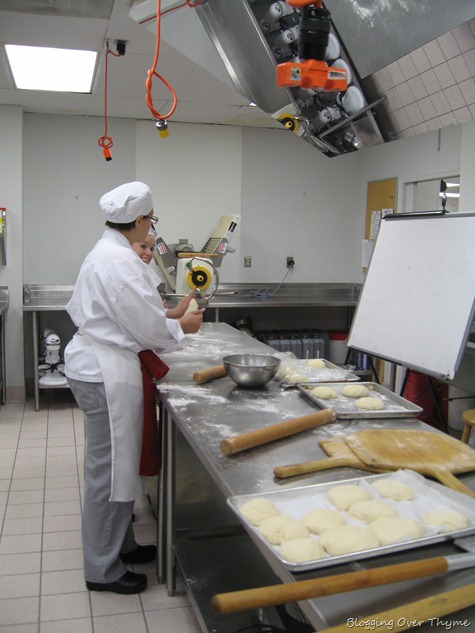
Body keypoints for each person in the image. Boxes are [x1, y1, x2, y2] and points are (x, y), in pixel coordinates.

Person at [64, 181, 204, 595]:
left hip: (103, 366)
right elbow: (146, 328)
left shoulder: (111, 252)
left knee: (117, 465)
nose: (151, 231)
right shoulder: (119, 261)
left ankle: (120, 545)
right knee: (107, 473)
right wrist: (184, 326)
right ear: (139, 220)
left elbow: (140, 315)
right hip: (101, 372)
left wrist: (171, 319)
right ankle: (101, 569)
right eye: (151, 222)